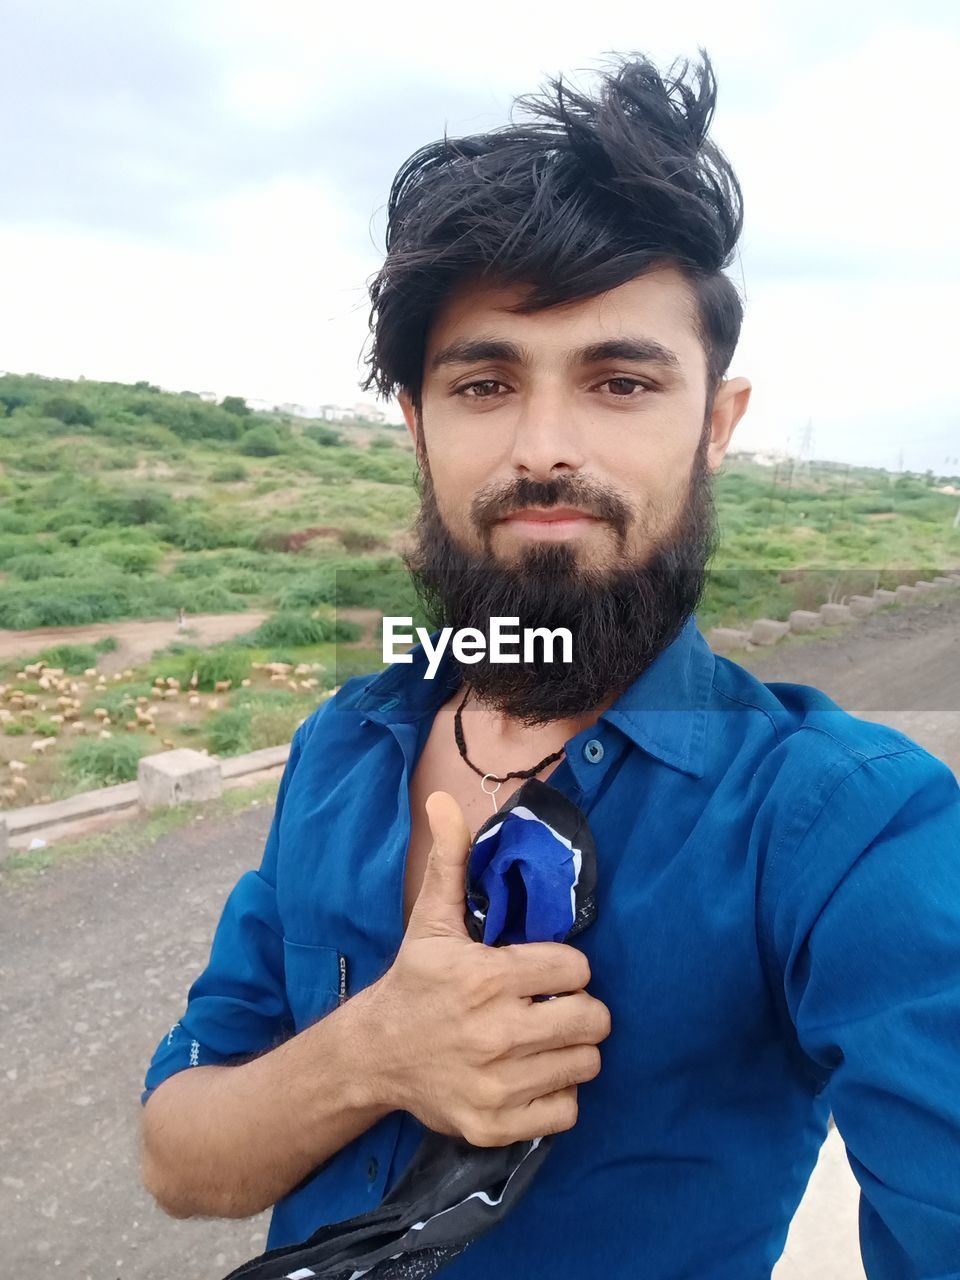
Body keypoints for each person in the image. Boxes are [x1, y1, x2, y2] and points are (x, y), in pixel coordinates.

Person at [139, 50, 960, 1277]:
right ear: (420, 424)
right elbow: (177, 1151)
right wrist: (372, 1053)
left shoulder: (840, 822)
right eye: (485, 380)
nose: (544, 448)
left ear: (717, 425)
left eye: (620, 380)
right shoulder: (340, 746)